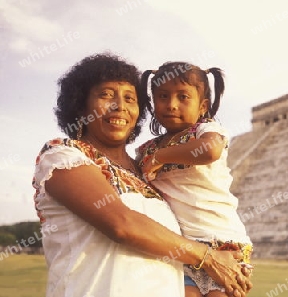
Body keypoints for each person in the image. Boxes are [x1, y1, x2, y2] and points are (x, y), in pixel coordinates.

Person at [32, 53, 252, 297]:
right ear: (81, 105)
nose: (120, 106)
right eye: (106, 95)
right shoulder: (64, 155)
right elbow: (122, 224)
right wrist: (208, 258)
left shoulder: (148, 172)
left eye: (130, 98)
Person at [136, 62, 253, 297]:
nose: (171, 104)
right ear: (152, 102)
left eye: (183, 97)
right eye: (162, 96)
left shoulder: (206, 130)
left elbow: (210, 151)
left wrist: (161, 156)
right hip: (182, 250)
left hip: (223, 245)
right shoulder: (145, 150)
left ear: (202, 107)